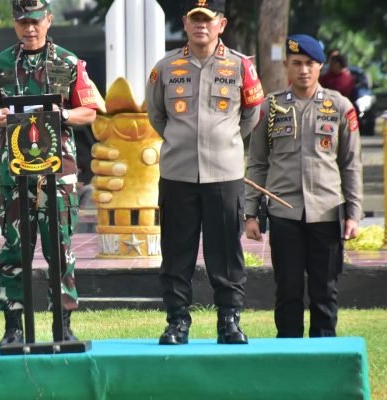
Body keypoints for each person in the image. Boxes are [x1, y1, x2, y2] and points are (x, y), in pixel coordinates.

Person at [0, 0, 100, 347]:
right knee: (14, 248)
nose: (29, 29)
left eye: (34, 22)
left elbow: (90, 110)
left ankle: (64, 324)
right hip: (16, 171)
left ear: (48, 20)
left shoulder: (69, 62)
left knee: (60, 247)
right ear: (14, 23)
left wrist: (64, 115)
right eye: (21, 22)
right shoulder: (0, 64)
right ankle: (13, 325)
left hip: (58, 172)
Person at [145, 0, 264, 345]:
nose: (201, 26)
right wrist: (181, 141)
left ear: (221, 24)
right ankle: (177, 321)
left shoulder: (241, 66)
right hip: (178, 175)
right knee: (176, 252)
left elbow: (251, 114)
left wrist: (223, 142)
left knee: (226, 252)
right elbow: (155, 115)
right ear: (185, 22)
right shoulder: (165, 67)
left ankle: (229, 321)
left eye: (208, 20)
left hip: (224, 176)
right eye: (195, 19)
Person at [245, 34, 362, 338]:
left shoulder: (339, 106)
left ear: (320, 66)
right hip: (285, 214)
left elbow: (350, 163)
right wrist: (250, 213)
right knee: (288, 291)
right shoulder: (270, 108)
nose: (303, 70)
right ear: (286, 65)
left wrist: (354, 214)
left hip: (326, 212)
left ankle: (324, 358)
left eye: (310, 63)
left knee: (325, 292)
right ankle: (288, 357)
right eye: (296, 63)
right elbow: (257, 163)